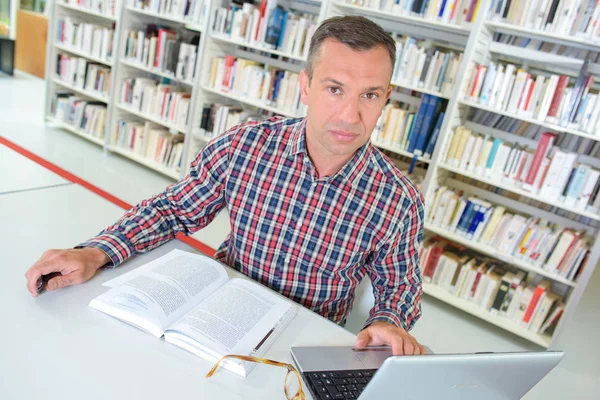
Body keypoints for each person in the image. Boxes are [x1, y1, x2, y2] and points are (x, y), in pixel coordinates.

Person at [25, 16, 426, 355]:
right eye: (334, 88)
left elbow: (400, 286)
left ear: (386, 99)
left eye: (369, 95)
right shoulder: (247, 144)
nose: (350, 114)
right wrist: (97, 252)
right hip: (216, 316)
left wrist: (390, 322)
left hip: (304, 341)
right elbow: (172, 209)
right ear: (305, 86)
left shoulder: (399, 199)